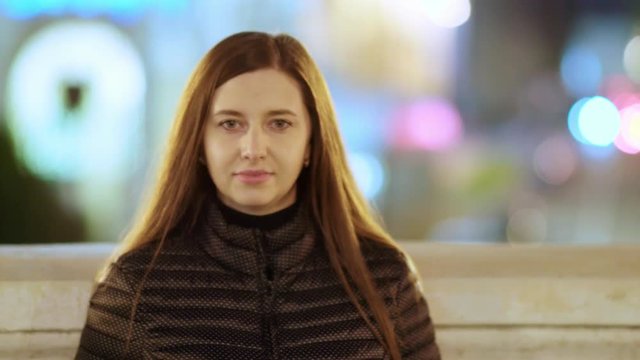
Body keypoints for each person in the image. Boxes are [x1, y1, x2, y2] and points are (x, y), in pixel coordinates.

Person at [75, 31, 440, 360]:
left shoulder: (384, 278)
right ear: (199, 143)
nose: (253, 148)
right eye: (230, 123)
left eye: (279, 124)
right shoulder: (136, 287)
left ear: (312, 143)